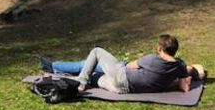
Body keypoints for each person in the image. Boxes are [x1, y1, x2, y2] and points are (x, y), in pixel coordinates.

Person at [43, 35, 203, 95]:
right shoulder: (180, 67)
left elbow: (130, 66)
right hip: (120, 90)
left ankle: (80, 82)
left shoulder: (152, 59)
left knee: (96, 52)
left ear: (160, 48)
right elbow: (185, 87)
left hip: (122, 77)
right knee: (91, 70)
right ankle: (56, 68)